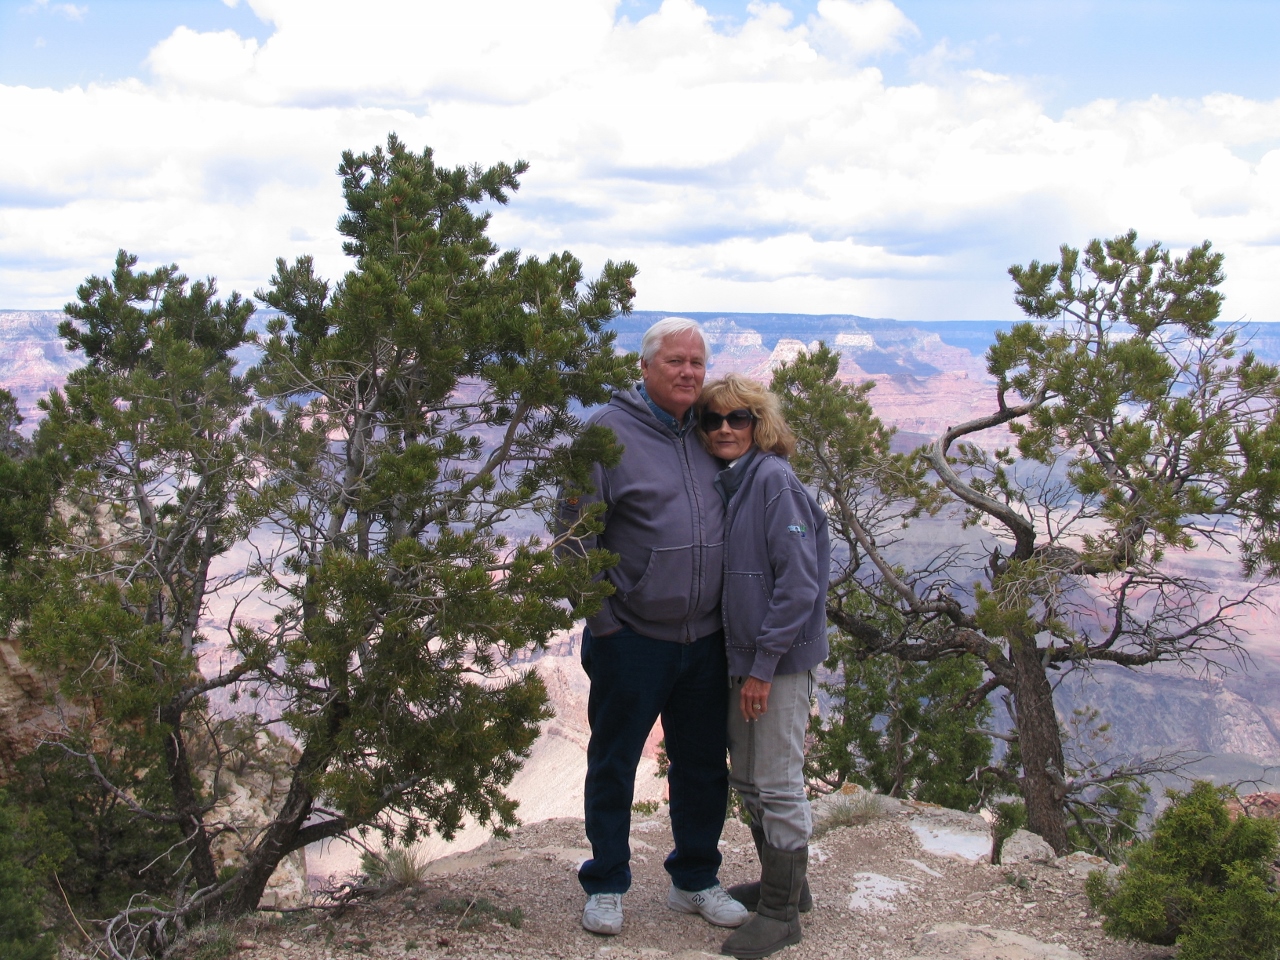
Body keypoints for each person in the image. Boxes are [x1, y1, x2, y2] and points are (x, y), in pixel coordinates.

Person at [560, 318, 749, 937]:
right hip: (632, 637)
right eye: (675, 361)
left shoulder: (715, 429)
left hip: (705, 638)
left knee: (702, 764)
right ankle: (607, 883)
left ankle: (695, 879)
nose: (689, 372)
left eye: (697, 361)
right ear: (646, 367)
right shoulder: (605, 435)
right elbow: (570, 538)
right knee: (613, 761)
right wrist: (605, 620)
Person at [696, 373, 830, 960]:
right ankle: (788, 889)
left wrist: (763, 667)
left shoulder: (773, 481)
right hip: (744, 659)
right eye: (713, 420)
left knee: (776, 782)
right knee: (749, 780)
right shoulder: (734, 483)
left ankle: (779, 915)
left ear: (760, 424)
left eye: (738, 418)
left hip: (775, 664)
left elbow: (799, 585)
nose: (725, 428)